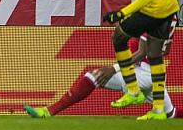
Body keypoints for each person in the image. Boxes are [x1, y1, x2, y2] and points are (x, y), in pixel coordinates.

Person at [25, 30, 177, 119]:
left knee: (95, 75)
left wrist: (114, 68)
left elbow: (141, 53)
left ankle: (48, 111)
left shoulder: (150, 19)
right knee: (171, 114)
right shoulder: (168, 19)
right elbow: (167, 50)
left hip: (142, 73)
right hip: (155, 74)